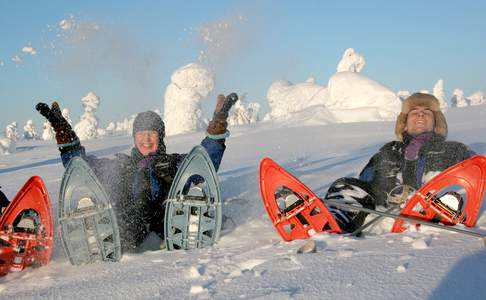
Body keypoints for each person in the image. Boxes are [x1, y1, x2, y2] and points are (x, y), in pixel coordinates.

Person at [36, 93, 237, 251]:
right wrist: (64, 133)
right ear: (134, 137)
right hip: (128, 229)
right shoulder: (121, 165)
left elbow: (203, 164)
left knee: (187, 191)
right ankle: (95, 229)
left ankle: (191, 222)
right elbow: (81, 166)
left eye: (152, 133)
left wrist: (216, 133)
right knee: (111, 203)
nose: (146, 139)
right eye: (141, 133)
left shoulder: (174, 162)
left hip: (166, 224)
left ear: (161, 137)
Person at [324, 93, 475, 232]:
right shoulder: (389, 151)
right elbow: (364, 183)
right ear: (404, 123)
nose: (421, 114)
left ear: (437, 122)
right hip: (385, 216)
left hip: (432, 207)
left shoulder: (454, 149)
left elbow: (478, 176)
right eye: (414, 112)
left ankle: (438, 216)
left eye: (427, 112)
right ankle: (332, 225)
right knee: (345, 186)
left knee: (451, 197)